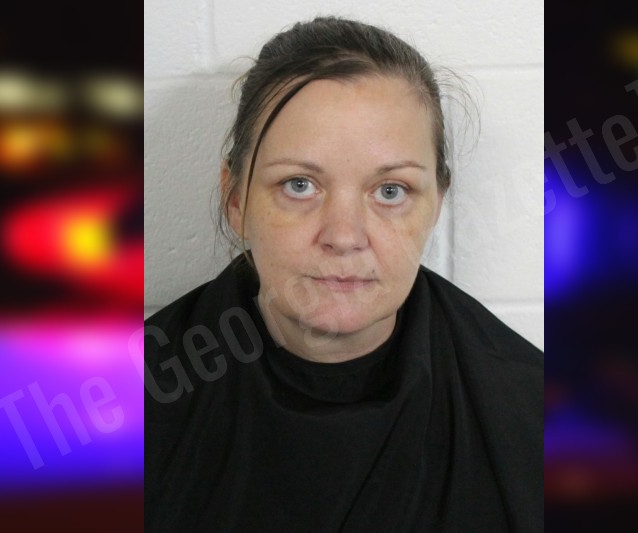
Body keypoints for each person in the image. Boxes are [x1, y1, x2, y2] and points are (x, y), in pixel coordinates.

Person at [145, 16, 542, 532]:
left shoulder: (536, 415)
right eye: (299, 185)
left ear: (437, 204)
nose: (344, 236)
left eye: (391, 191)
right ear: (236, 198)